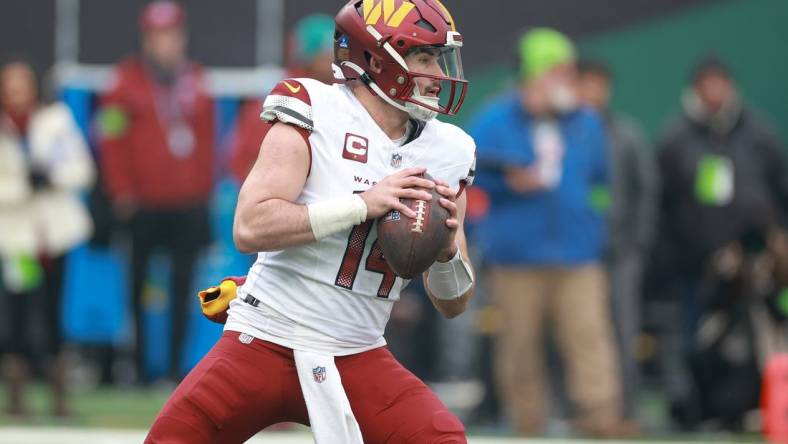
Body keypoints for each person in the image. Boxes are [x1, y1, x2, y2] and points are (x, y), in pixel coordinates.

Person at [145, 1, 476, 443]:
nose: (437, 72)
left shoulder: (448, 151)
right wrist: (363, 204)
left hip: (358, 350)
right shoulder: (314, 110)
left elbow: (454, 303)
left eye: (438, 57)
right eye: (423, 57)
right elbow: (249, 226)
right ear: (377, 59)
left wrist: (448, 251)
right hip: (264, 340)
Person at [469, 29, 630, 437]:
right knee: (519, 349)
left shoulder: (587, 122)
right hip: (517, 258)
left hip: (578, 257)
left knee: (590, 341)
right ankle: (527, 425)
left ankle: (601, 421)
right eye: (556, 72)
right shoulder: (496, 118)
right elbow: (470, 173)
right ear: (533, 75)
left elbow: (602, 183)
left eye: (568, 72)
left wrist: (596, 226)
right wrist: (510, 182)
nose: (565, 81)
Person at [652, 57, 788, 427]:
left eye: (720, 83)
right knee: (694, 339)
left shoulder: (759, 133)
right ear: (696, 88)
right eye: (706, 84)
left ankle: (762, 404)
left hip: (757, 266)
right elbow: (663, 203)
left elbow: (778, 188)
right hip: (696, 266)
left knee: (764, 334)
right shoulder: (675, 137)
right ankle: (696, 409)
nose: (714, 92)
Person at [97, 0, 215, 383]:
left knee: (185, 288)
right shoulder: (122, 82)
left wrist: (204, 191)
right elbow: (110, 139)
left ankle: (175, 371)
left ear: (181, 37)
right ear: (146, 39)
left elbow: (209, 141)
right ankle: (139, 368)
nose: (165, 43)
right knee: (136, 287)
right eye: (157, 35)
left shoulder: (195, 79)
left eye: (172, 35)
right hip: (142, 205)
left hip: (186, 204)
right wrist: (120, 190)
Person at [0, 58, 95, 416]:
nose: (17, 95)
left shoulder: (55, 121)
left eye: (22, 86)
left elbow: (81, 169)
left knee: (55, 313)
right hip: (16, 240)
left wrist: (50, 176)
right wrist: (21, 185)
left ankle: (59, 398)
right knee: (17, 314)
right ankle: (16, 398)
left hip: (53, 237)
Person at [577, 59, 658, 421]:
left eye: (599, 84)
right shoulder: (568, 134)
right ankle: (581, 411)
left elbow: (646, 190)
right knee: (580, 335)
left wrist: (637, 244)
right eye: (587, 84)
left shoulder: (627, 135)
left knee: (624, 331)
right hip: (578, 256)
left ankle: (626, 411)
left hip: (622, 255)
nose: (593, 91)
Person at [230, 13, 337, 183]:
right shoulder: (279, 99)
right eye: (329, 51)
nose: (336, 58)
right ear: (310, 56)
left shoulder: (342, 93)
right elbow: (245, 163)